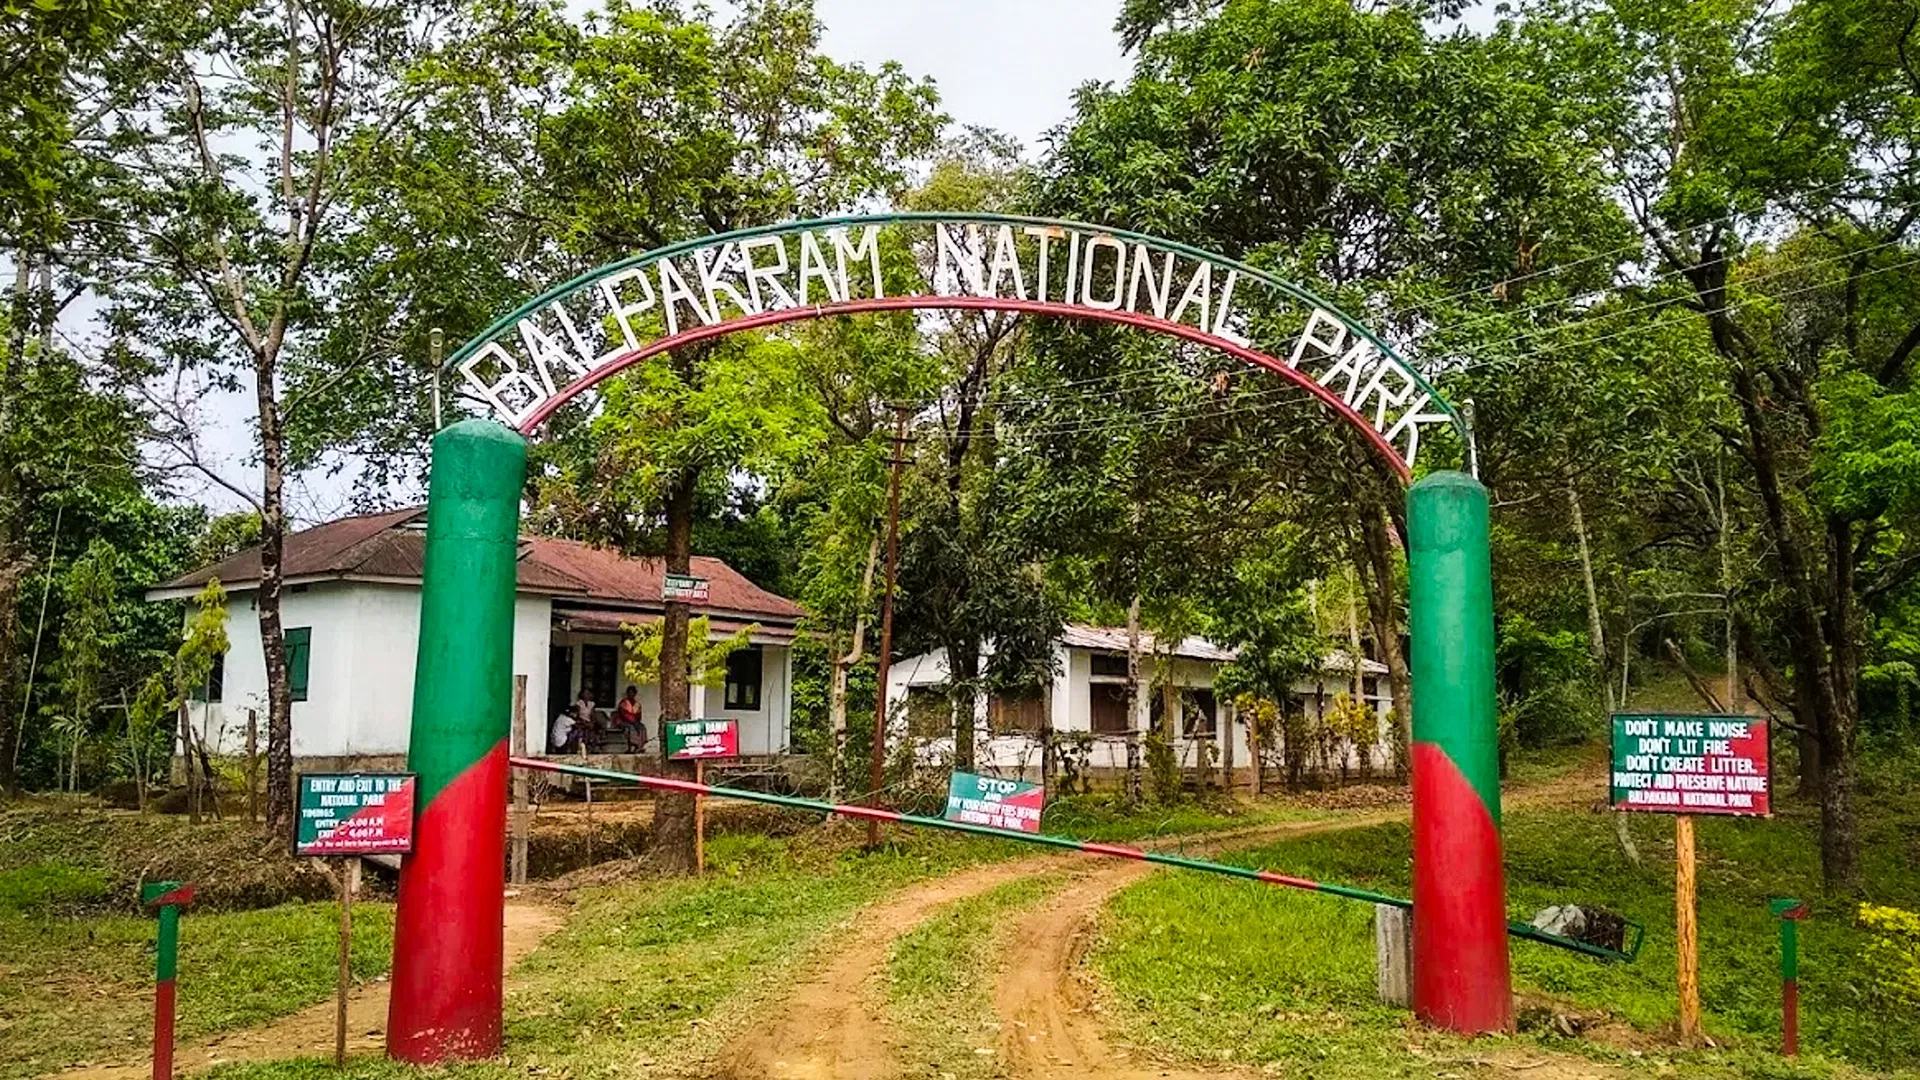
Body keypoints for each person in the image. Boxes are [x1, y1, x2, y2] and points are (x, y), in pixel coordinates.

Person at [615, 685, 648, 751]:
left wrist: (637, 722)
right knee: (631, 728)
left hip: (634, 722)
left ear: (635, 694)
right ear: (627, 693)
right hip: (622, 721)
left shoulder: (637, 704)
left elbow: (639, 715)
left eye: (633, 693)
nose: (631, 694)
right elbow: (624, 715)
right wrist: (634, 722)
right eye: (630, 692)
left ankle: (640, 746)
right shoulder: (623, 703)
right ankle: (633, 746)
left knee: (642, 727)